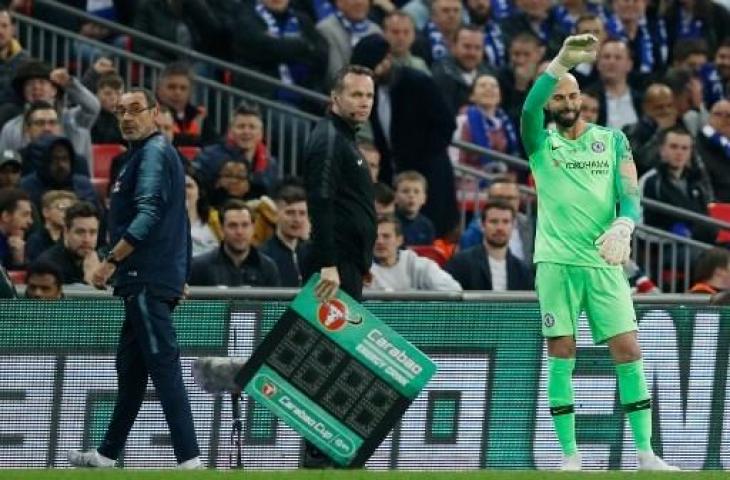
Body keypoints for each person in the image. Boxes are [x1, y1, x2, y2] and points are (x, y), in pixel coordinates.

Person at [520, 34, 677, 471]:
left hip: (604, 262)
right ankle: (571, 456)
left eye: (574, 94)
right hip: (555, 263)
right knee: (562, 351)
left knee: (629, 350)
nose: (568, 102)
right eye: (560, 96)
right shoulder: (540, 144)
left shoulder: (612, 141)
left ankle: (645, 453)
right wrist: (556, 64)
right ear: (552, 104)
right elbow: (528, 110)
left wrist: (625, 223)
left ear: (582, 100)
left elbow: (629, 193)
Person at [67, 88, 201, 469]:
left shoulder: (153, 154)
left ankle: (190, 462)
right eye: (120, 111)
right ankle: (108, 453)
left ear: (155, 113)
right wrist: (180, 272)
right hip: (150, 276)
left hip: (143, 277)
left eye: (135, 110)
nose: (126, 117)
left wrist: (109, 263)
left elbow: (150, 214)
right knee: (131, 368)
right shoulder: (141, 157)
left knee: (163, 365)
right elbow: (180, 221)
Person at [302, 64, 377, 468]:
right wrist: (330, 263)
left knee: (335, 354)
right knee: (328, 355)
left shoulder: (343, 138)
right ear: (336, 98)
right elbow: (321, 201)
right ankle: (318, 451)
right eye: (356, 95)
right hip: (333, 269)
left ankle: (327, 446)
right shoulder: (330, 140)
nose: (363, 102)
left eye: (368, 95)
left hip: (347, 265)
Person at [189, 200, 280, 287]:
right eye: (232, 225)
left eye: (245, 225)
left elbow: (274, 303)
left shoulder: (268, 268)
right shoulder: (199, 267)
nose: (239, 232)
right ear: (221, 229)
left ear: (253, 228)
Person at [446, 199, 533, 290]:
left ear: (513, 226)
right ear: (482, 225)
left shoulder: (523, 271)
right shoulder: (461, 263)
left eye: (505, 222)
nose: (500, 228)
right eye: (494, 221)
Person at [370, 214, 461, 291]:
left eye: (386, 236)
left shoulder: (417, 264)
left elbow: (454, 290)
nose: (379, 241)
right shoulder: (362, 268)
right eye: (374, 236)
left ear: (399, 240)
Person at [35, 200, 100, 285]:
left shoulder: (102, 260)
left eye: (92, 232)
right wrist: (90, 281)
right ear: (66, 232)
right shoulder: (46, 266)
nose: (87, 239)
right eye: (80, 232)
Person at [260, 184, 310, 287]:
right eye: (290, 213)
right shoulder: (263, 255)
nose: (297, 219)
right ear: (276, 214)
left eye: (302, 213)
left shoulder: (313, 253)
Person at [25, 190, 77, 262]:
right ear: (46, 212)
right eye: (61, 209)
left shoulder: (74, 238)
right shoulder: (35, 240)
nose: (66, 214)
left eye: (69, 210)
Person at [394, 170, 435, 246]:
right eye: (405, 191)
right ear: (395, 197)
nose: (411, 196)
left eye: (416, 192)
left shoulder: (427, 226)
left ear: (424, 198)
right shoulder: (389, 223)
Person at [0, 186, 32, 269]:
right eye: (25, 215)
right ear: (6, 216)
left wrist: (18, 260)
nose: (30, 221)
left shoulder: (13, 241)